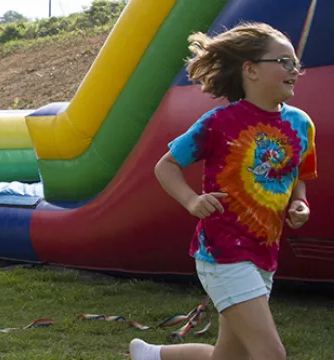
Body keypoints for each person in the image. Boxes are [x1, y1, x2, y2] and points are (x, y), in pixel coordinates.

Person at [130, 22, 317, 360]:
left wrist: (300, 202)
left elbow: (299, 174)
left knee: (231, 356)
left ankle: (151, 355)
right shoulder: (219, 122)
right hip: (223, 251)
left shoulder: (301, 124)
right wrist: (191, 200)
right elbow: (166, 166)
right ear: (251, 70)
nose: (294, 71)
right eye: (284, 62)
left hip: (265, 252)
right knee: (270, 353)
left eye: (296, 64)